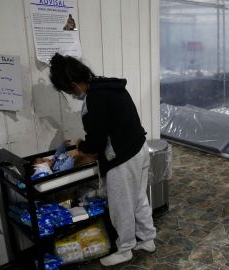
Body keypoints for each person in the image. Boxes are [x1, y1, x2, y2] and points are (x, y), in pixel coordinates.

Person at [49, 53, 156, 266]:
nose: (73, 95)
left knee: (121, 205)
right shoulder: (109, 86)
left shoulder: (93, 99)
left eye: (70, 92)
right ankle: (148, 239)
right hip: (140, 147)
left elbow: (96, 144)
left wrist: (80, 147)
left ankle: (125, 249)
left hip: (123, 158)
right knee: (138, 199)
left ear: (74, 85)